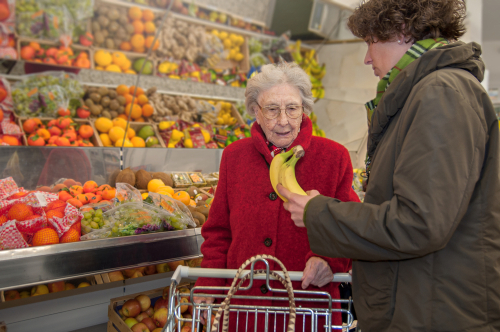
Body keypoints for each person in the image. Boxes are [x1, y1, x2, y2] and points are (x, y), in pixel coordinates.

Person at [279, 0, 500, 331]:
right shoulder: (427, 92)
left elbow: (419, 223)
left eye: (370, 41)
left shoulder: (441, 93)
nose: (366, 57)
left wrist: (320, 213)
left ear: (402, 30)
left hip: (432, 313)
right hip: (420, 303)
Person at [193, 62, 359, 331]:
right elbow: (219, 231)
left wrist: (330, 262)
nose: (283, 121)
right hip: (244, 309)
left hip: (310, 307)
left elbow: (351, 226)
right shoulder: (234, 157)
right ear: (255, 113)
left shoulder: (334, 157)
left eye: (292, 109)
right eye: (272, 109)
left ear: (304, 111)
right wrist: (209, 281)